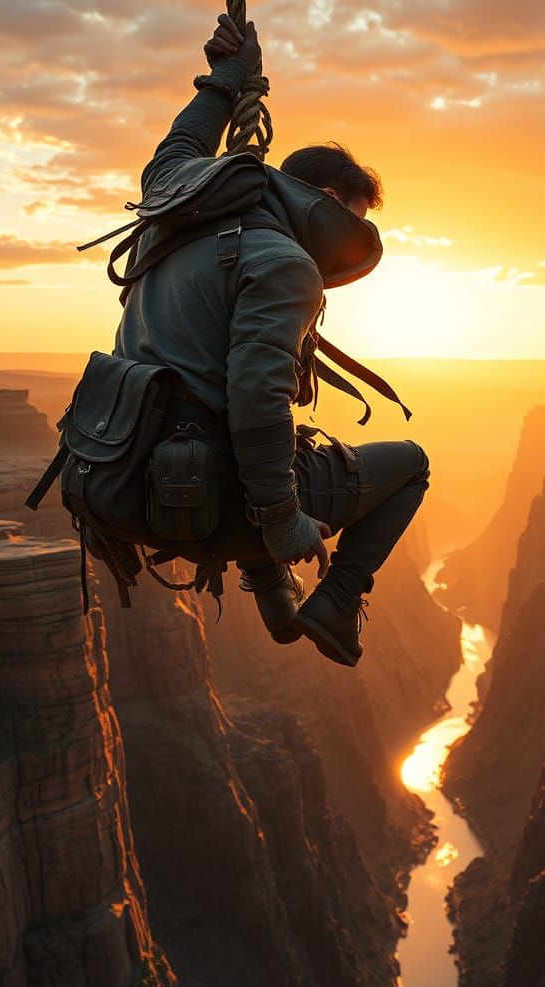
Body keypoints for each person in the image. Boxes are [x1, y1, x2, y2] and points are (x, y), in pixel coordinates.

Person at [113, 13, 430, 667]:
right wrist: (285, 524)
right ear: (322, 199)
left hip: (132, 482)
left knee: (260, 427)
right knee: (410, 464)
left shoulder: (169, 211)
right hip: (219, 495)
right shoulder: (284, 263)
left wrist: (228, 78)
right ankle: (336, 598)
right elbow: (256, 399)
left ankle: (270, 586)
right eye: (353, 214)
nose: (348, 233)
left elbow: (179, 145)